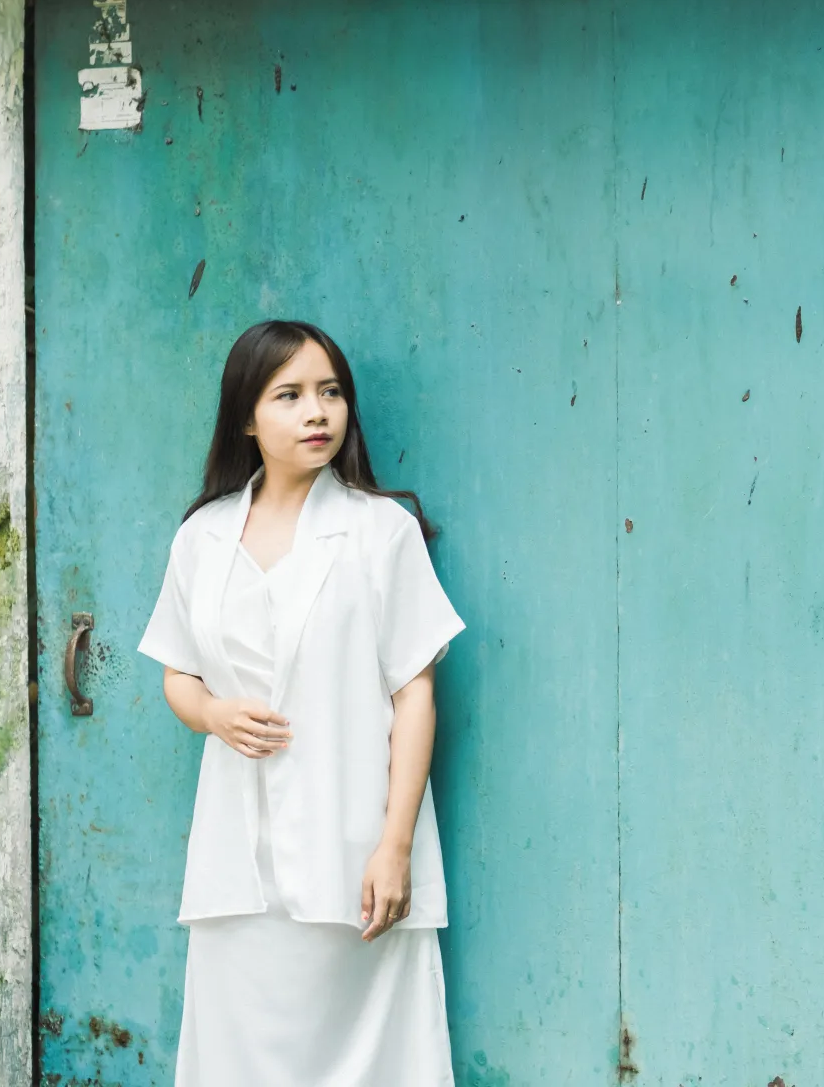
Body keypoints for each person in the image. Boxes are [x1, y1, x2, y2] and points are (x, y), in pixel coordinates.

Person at [139, 320, 464, 1086]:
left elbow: (415, 692)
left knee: (376, 1059)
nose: (317, 411)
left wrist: (395, 847)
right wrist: (211, 714)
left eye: (331, 392)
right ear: (246, 418)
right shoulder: (202, 537)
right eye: (289, 395)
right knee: (237, 1060)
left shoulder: (379, 532)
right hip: (237, 864)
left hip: (352, 848)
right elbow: (179, 674)